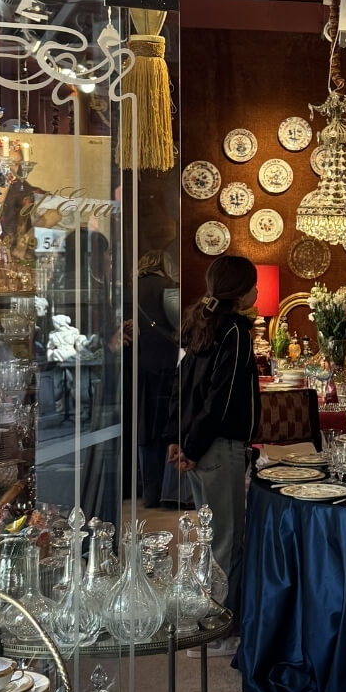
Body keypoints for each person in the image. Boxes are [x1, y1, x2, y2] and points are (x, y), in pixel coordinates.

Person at [166, 256, 260, 621]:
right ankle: (218, 622)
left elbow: (182, 388)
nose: (257, 290)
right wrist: (191, 445)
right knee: (225, 541)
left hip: (199, 446)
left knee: (209, 541)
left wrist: (179, 439)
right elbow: (222, 398)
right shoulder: (235, 332)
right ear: (239, 292)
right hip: (218, 448)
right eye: (253, 284)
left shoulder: (203, 322)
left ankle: (204, 615)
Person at [135, 250, 179, 509]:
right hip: (166, 365)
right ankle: (166, 493)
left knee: (144, 431)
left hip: (138, 367)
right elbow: (179, 327)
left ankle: (147, 493)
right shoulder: (170, 287)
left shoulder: (130, 289)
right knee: (165, 428)